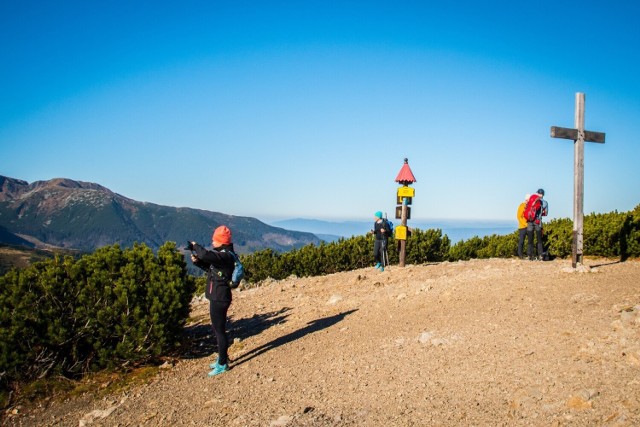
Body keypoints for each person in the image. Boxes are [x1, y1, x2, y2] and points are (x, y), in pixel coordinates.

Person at [189, 225, 236, 376]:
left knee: (219, 331)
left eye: (215, 239)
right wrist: (197, 263)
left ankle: (222, 364)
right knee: (218, 329)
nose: (212, 241)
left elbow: (206, 255)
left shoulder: (225, 256)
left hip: (219, 298)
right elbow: (213, 271)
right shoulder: (223, 255)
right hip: (218, 296)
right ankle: (223, 358)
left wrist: (195, 246)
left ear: (221, 241)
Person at [526, 189, 548, 260]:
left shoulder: (531, 199)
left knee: (530, 239)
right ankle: (540, 255)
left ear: (537, 193)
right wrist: (540, 214)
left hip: (529, 221)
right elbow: (546, 213)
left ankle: (530, 255)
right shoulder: (545, 203)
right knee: (539, 239)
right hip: (538, 222)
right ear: (543, 195)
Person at [516, 194, 530, 259]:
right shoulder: (522, 206)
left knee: (530, 241)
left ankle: (529, 254)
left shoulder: (531, 206)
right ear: (526, 199)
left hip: (529, 226)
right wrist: (525, 224)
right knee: (521, 241)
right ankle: (520, 255)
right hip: (522, 227)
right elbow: (519, 217)